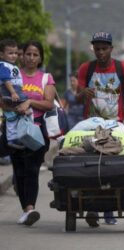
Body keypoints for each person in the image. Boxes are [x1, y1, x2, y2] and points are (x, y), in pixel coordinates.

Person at [77, 31, 124, 227]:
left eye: (104, 49)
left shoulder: (123, 68)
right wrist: (82, 93)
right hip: (91, 125)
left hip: (116, 124)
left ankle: (110, 209)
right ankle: (94, 208)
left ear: (112, 49)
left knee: (114, 169)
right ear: (92, 48)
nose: (101, 52)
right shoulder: (86, 69)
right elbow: (76, 96)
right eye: (97, 49)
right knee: (92, 168)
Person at [6, 40, 56, 226]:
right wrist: (12, 105)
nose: (31, 58)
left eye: (35, 54)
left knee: (32, 170)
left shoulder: (46, 78)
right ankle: (26, 210)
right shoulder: (12, 75)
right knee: (19, 171)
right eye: (28, 54)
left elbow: (49, 103)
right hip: (14, 130)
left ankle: (30, 208)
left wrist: (30, 103)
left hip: (36, 131)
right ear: (22, 55)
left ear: (40, 57)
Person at [0, 39, 31, 149]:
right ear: (2, 54)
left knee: (15, 116)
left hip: (17, 93)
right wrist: (13, 92)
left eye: (16, 53)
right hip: (10, 94)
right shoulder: (3, 65)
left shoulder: (13, 66)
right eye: (10, 53)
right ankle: (12, 139)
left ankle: (17, 138)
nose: (14, 56)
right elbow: (5, 80)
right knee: (14, 116)